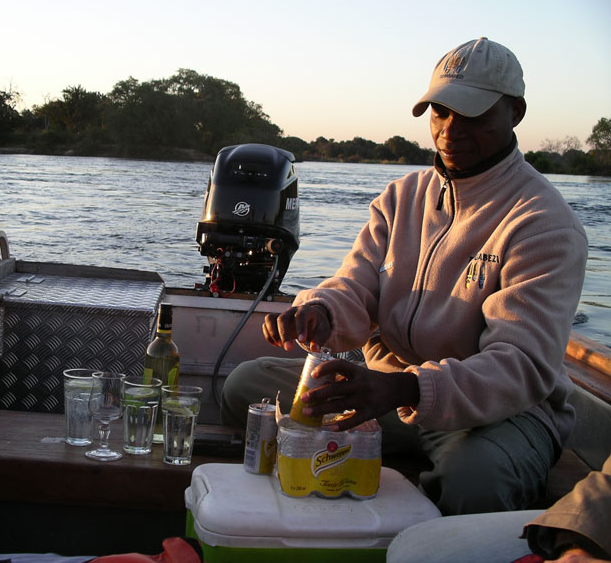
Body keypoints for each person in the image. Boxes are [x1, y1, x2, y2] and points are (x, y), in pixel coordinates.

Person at [220, 37, 589, 515]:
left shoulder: (543, 223)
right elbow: (356, 285)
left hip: (501, 413)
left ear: (514, 113)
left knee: (475, 480)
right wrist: (320, 311)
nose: (450, 130)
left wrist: (405, 389)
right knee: (244, 387)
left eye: (473, 114)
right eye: (441, 111)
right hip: (389, 392)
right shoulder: (402, 197)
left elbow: (521, 367)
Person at [386, 452, 611, 563]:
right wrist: (581, 545)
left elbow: (529, 371)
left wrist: (414, 388)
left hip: (514, 411)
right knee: (417, 552)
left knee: (476, 480)